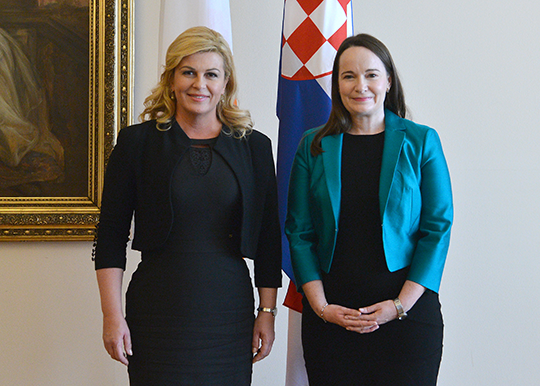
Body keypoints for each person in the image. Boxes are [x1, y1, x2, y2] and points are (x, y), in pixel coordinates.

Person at [93, 26, 282, 385]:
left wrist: (267, 312)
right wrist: (112, 315)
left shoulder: (254, 147)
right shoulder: (136, 144)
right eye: (188, 72)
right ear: (172, 80)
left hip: (229, 314)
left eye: (211, 74)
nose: (200, 84)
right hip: (157, 313)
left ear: (226, 82)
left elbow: (269, 238)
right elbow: (111, 235)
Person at [285, 33, 453, 385]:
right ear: (337, 84)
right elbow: (299, 233)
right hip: (332, 321)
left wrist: (399, 306)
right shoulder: (312, 146)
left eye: (371, 75)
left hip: (406, 320)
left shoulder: (422, 141)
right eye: (348, 76)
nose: (360, 85)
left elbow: (436, 229)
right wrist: (322, 309)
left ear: (388, 81)